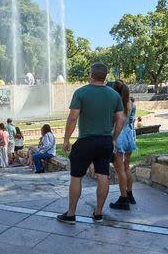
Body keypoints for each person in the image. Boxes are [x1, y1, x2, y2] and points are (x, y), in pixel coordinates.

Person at [57, 63, 125, 223]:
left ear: (91, 75)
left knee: (76, 177)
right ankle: (98, 213)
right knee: (103, 176)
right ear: (105, 76)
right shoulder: (114, 95)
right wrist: (113, 138)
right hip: (105, 141)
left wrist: (66, 139)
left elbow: (73, 118)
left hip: (85, 141)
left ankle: (71, 213)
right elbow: (121, 119)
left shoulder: (81, 92)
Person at [109, 80, 138, 210]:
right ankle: (130, 193)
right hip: (129, 135)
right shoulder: (131, 103)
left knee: (119, 169)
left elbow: (113, 122)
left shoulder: (116, 104)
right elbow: (130, 121)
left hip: (118, 135)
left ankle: (123, 199)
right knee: (127, 167)